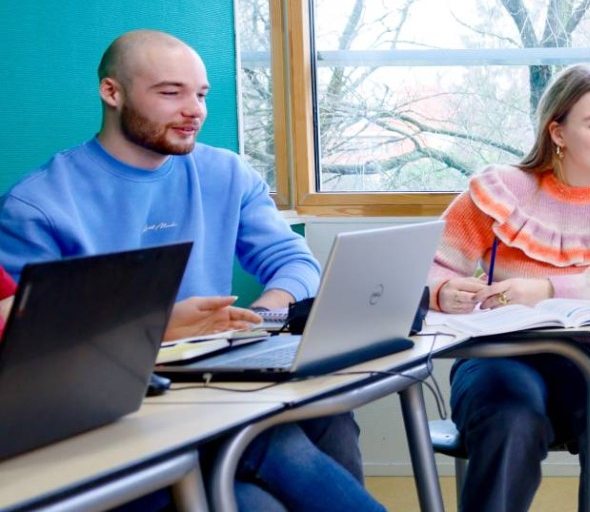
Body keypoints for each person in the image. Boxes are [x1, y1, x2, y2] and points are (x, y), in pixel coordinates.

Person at [0, 30, 378, 511]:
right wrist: (156, 331)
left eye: (200, 94)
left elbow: (295, 262)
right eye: (170, 92)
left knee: (330, 417)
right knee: (259, 491)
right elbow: (32, 356)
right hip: (122, 404)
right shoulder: (37, 205)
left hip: (216, 381)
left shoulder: (226, 173)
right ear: (112, 93)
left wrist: (259, 318)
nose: (194, 110)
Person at [427, 64, 590, 512]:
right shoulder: (500, 189)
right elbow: (426, 266)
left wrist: (548, 288)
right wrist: (443, 290)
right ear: (558, 132)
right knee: (511, 416)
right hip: (501, 357)